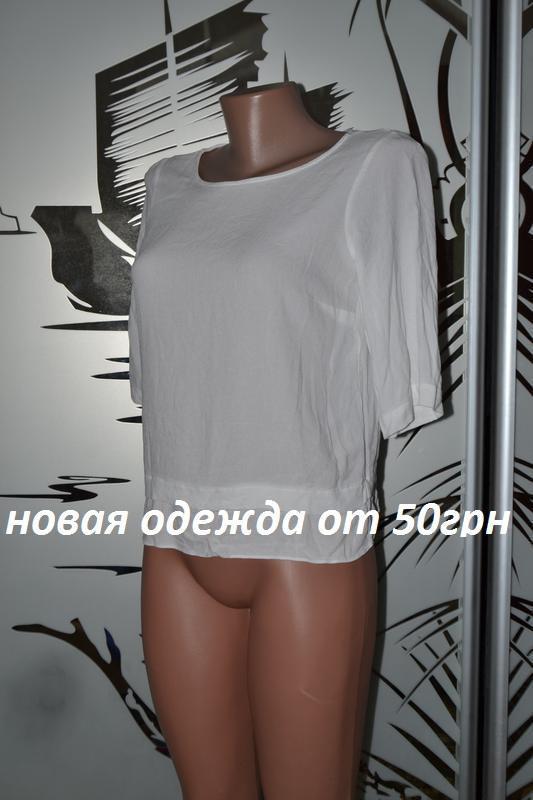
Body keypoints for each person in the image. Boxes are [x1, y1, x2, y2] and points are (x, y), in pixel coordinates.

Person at [130, 80, 442, 798]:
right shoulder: (166, 181)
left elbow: (402, 380)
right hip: (174, 533)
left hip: (302, 544)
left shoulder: (376, 164)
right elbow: (157, 369)